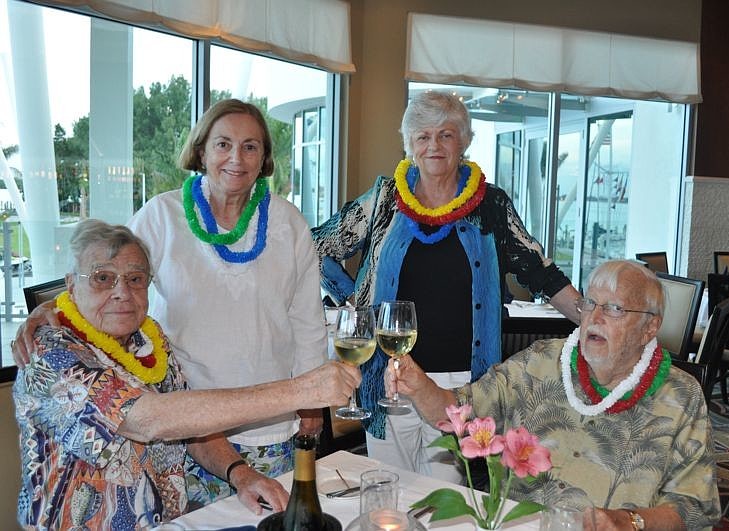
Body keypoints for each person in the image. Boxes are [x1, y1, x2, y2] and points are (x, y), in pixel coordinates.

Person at [14, 99, 329, 506]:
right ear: (201, 150)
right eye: (223, 144)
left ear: (265, 157)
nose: (236, 157)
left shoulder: (288, 222)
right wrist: (49, 308)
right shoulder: (162, 214)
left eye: (250, 146)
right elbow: (110, 268)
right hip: (183, 422)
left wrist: (310, 402)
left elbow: (307, 318)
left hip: (271, 426)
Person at [13, 220, 361, 529]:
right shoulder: (50, 352)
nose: (122, 291)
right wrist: (301, 391)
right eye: (103, 278)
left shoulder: (149, 341)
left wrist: (239, 474)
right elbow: (150, 419)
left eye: (135, 279)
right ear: (71, 285)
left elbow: (191, 427)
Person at [312, 90, 582, 482]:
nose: (433, 145)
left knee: (448, 499)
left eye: (446, 134)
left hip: (464, 387)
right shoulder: (386, 198)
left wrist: (591, 317)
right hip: (392, 377)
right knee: (388, 490)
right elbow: (318, 246)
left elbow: (540, 272)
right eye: (422, 136)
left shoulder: (491, 205)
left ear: (464, 142)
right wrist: (356, 300)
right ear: (410, 145)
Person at [386, 260, 721, 530]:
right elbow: (460, 411)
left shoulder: (680, 396)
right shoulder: (542, 362)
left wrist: (630, 520)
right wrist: (419, 386)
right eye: (590, 303)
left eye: (615, 308)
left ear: (650, 327)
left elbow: (696, 507)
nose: (595, 317)